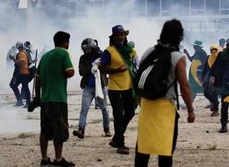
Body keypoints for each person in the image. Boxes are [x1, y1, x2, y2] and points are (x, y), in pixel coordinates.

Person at [135, 19, 196, 167]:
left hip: (147, 105)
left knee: (143, 148)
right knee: (165, 150)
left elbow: (139, 77)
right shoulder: (178, 57)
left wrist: (139, 100)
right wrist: (190, 110)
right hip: (166, 108)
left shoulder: (149, 51)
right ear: (180, 36)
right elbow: (185, 86)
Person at [34, 31, 75, 166]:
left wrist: (37, 97)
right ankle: (58, 159)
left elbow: (37, 78)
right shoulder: (63, 53)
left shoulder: (45, 56)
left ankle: (44, 159)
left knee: (45, 130)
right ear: (65, 43)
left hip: (45, 100)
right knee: (60, 129)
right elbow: (70, 72)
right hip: (58, 99)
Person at [100, 25, 137, 154]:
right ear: (114, 37)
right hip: (115, 88)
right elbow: (102, 69)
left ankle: (116, 138)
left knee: (130, 113)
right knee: (118, 116)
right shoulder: (108, 51)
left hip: (129, 87)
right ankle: (120, 144)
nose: (121, 37)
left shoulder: (130, 51)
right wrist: (116, 70)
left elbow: (134, 67)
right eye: (118, 35)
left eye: (122, 35)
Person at [72, 38, 111, 139]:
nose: (86, 51)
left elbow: (107, 67)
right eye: (85, 49)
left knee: (104, 109)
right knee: (84, 109)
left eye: (88, 49)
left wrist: (98, 62)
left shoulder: (101, 55)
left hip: (101, 86)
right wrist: (92, 67)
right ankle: (81, 129)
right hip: (88, 88)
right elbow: (81, 72)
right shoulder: (83, 58)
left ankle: (107, 129)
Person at [200, 45, 220, 116]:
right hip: (207, 78)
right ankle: (216, 103)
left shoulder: (219, 58)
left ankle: (215, 110)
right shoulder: (208, 57)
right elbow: (205, 68)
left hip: (217, 78)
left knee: (214, 93)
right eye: (212, 50)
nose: (213, 51)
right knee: (206, 93)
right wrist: (202, 77)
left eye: (215, 50)